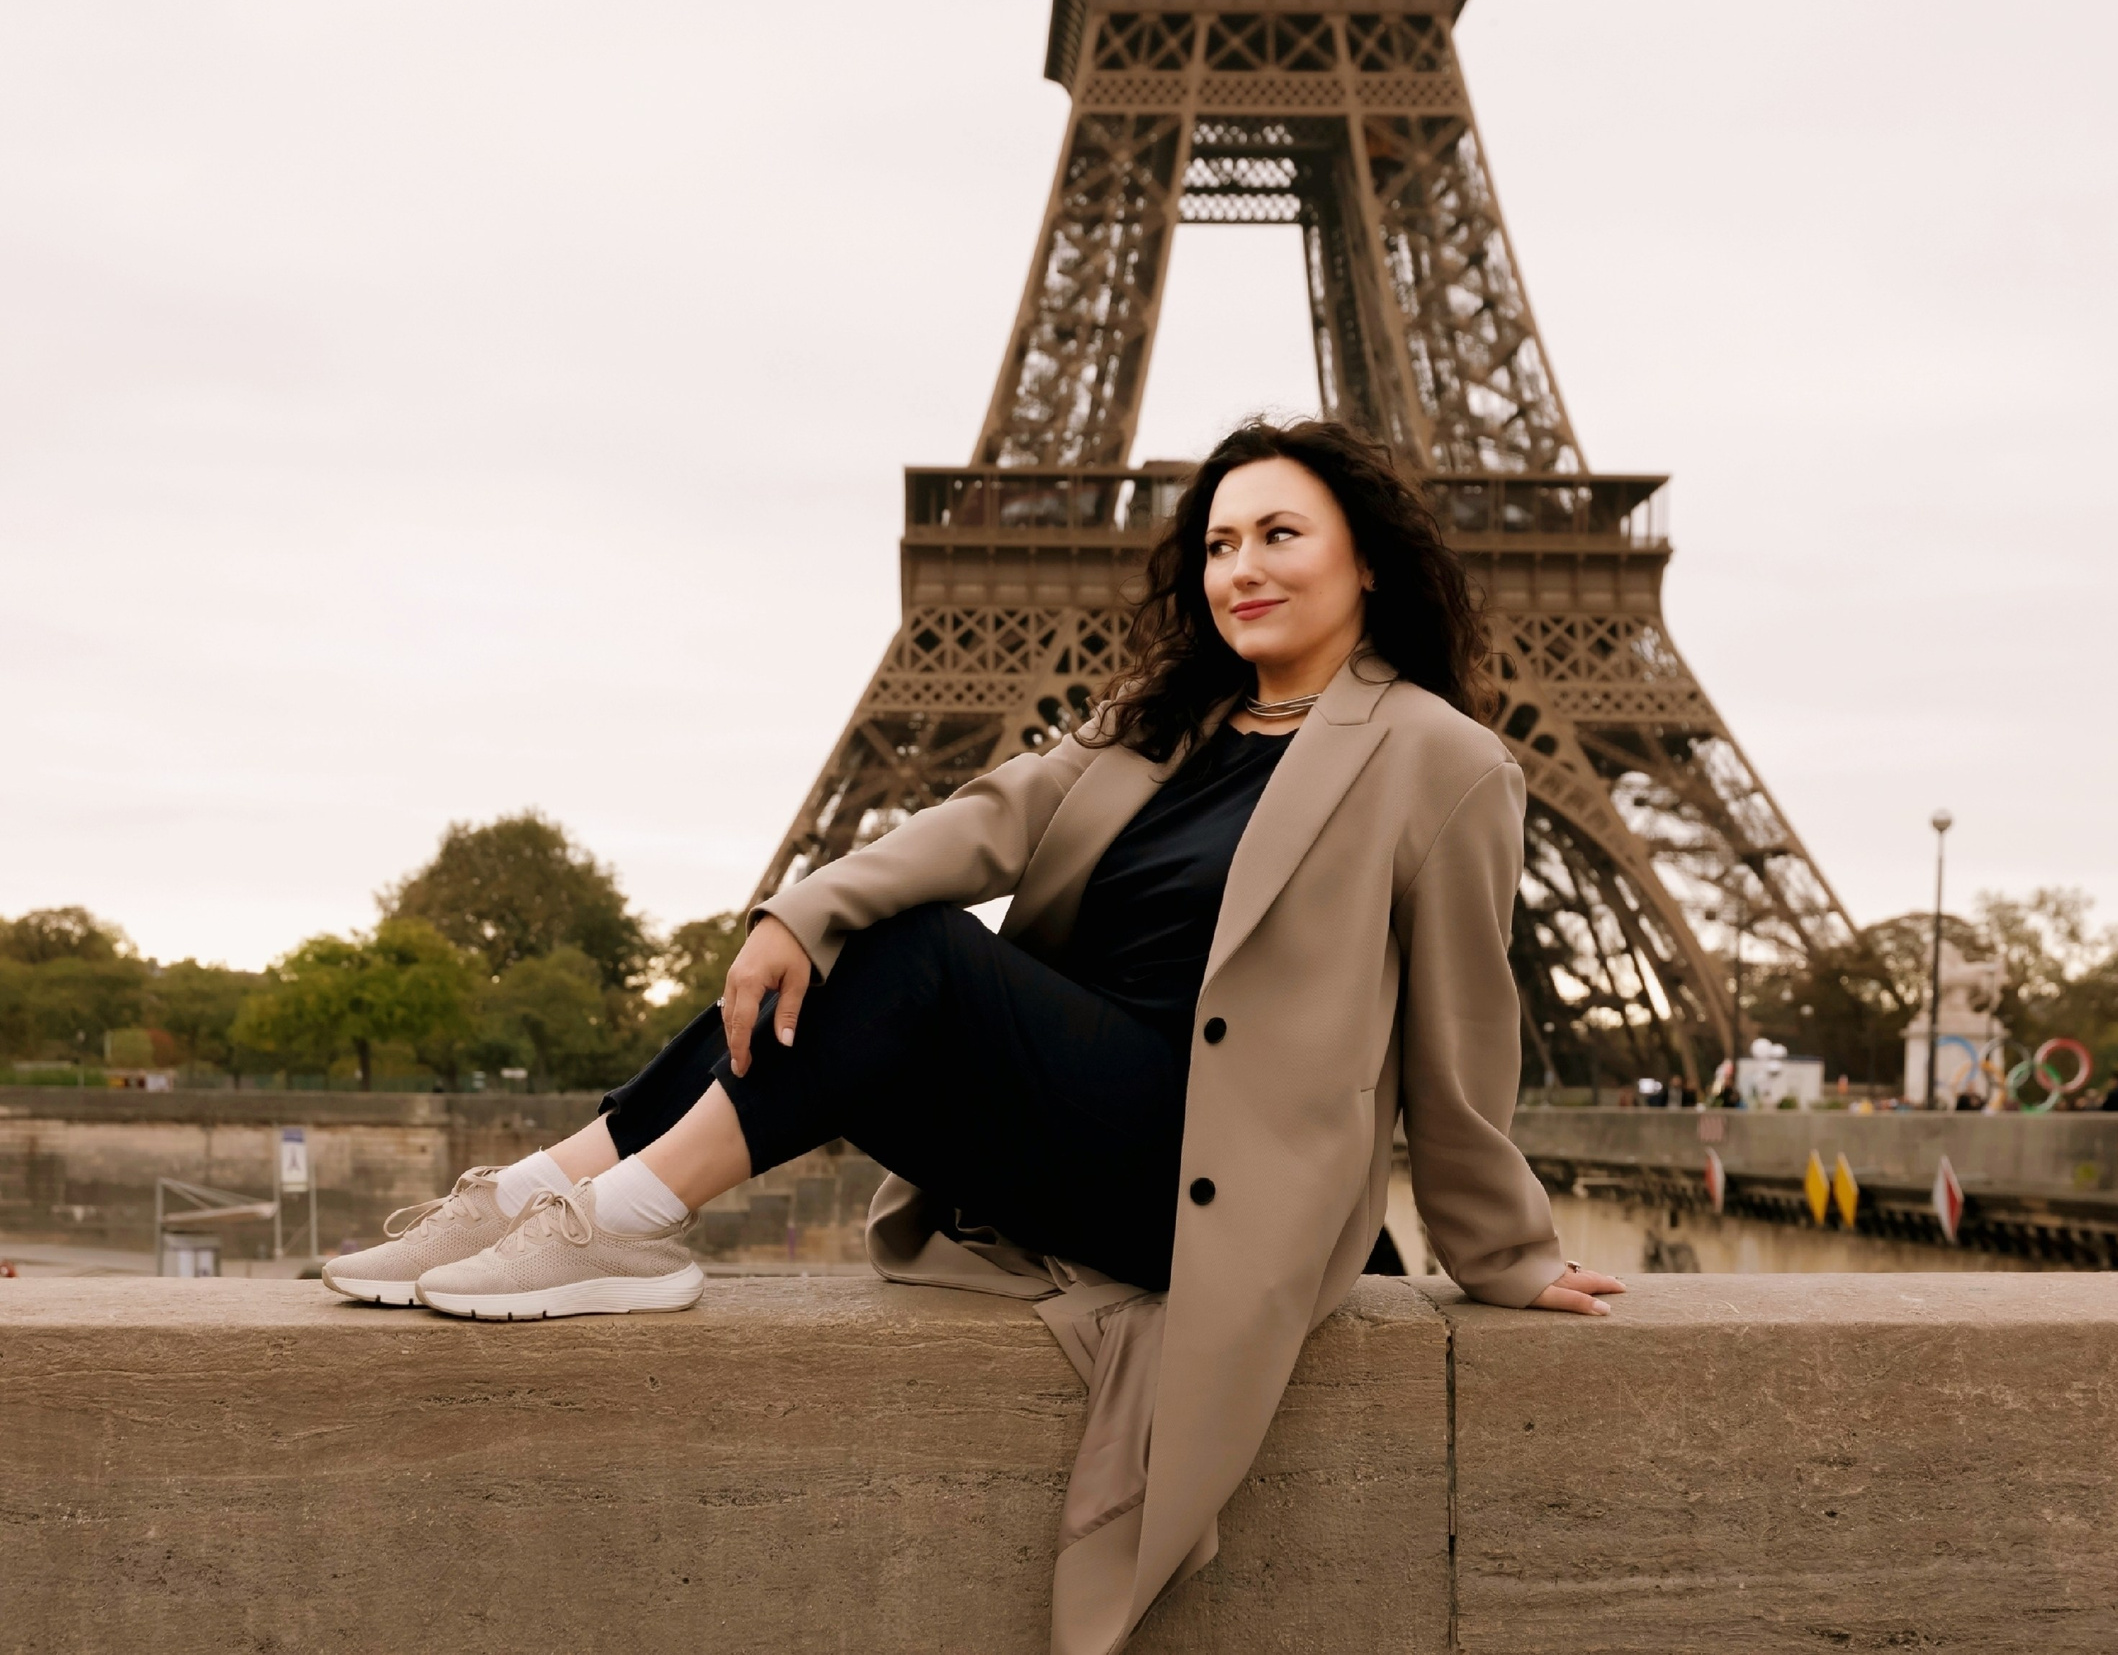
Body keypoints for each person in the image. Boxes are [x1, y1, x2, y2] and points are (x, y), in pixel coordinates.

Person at [319, 418, 1620, 1651]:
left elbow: (1463, 1032)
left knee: (912, 951)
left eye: (1280, 534)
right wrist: (798, 905)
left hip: (1212, 1175)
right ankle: (548, 1191)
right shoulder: (1163, 723)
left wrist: (1499, 1247)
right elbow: (983, 814)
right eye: (1220, 544)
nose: (1243, 568)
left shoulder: (1442, 761)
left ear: (1367, 561)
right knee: (834, 945)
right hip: (1081, 1115)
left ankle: (627, 1218)